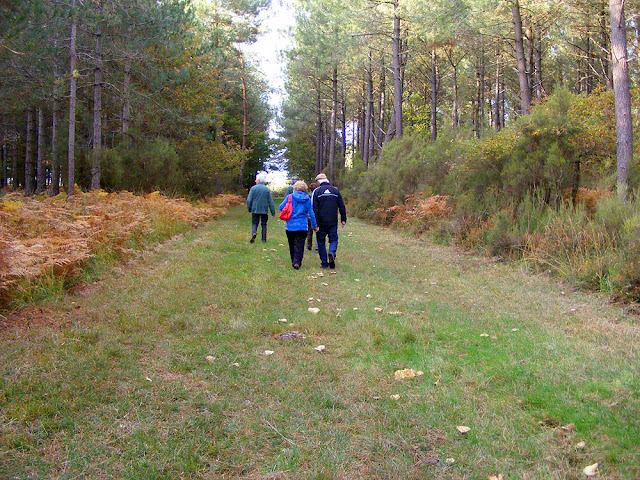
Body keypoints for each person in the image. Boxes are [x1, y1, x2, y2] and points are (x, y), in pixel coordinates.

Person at [280, 180, 318, 269]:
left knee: (292, 244)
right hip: (302, 226)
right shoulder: (307, 199)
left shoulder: (290, 197)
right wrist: (315, 226)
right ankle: (297, 262)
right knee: (300, 244)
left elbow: (281, 207)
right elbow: (311, 214)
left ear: (295, 188)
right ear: (305, 189)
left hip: (290, 226)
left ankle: (294, 260)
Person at [311, 173, 346, 269]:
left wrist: (315, 224)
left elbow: (314, 208)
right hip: (333, 221)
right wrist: (343, 219)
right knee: (333, 239)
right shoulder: (335, 190)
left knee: (321, 242)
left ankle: (324, 263)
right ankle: (332, 252)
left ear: (318, 182)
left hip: (321, 222)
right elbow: (341, 205)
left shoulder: (316, 191)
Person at [246, 172, 275, 243]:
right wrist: (273, 212)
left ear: (258, 180)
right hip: (264, 210)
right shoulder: (267, 189)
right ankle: (264, 239)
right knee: (264, 224)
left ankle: (254, 233)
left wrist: (249, 208)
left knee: (255, 223)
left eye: (256, 179)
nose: (255, 181)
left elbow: (249, 200)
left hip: (255, 209)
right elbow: (270, 202)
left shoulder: (253, 188)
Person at [306, 182, 318, 250]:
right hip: (316, 215)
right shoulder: (317, 196)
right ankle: (317, 247)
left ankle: (309, 245)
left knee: (309, 232)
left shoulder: (307, 196)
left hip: (308, 215)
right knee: (317, 231)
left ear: (310, 189)